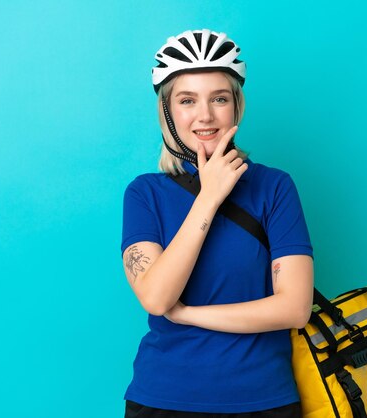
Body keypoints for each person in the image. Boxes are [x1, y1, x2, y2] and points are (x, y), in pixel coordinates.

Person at [121, 29, 314, 417]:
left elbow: (295, 308)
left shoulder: (273, 187)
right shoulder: (144, 194)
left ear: (237, 107)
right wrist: (209, 197)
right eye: (187, 100)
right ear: (168, 111)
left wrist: (189, 315)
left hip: (265, 401)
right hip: (163, 400)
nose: (205, 115)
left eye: (219, 99)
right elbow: (157, 298)